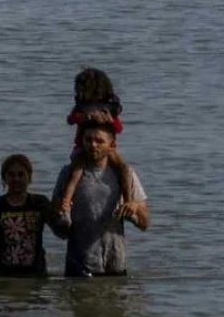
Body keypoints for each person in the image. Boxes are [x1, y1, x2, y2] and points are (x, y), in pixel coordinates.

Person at [49, 113, 150, 277]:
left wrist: (134, 210)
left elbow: (145, 224)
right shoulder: (68, 173)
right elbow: (57, 229)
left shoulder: (125, 174)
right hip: (78, 267)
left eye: (100, 141)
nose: (93, 145)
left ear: (112, 144)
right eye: (88, 140)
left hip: (115, 265)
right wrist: (60, 215)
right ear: (81, 141)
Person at [59, 68, 134, 214]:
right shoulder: (81, 109)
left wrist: (110, 121)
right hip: (82, 147)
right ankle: (66, 203)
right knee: (76, 172)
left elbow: (118, 128)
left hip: (108, 149)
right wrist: (85, 117)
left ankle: (128, 202)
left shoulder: (108, 108)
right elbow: (70, 119)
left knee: (124, 168)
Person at [0, 154, 52, 276]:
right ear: (4, 178)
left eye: (21, 174)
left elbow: (59, 229)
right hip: (1, 274)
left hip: (35, 274)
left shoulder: (40, 203)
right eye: (11, 175)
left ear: (29, 177)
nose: (16, 179)